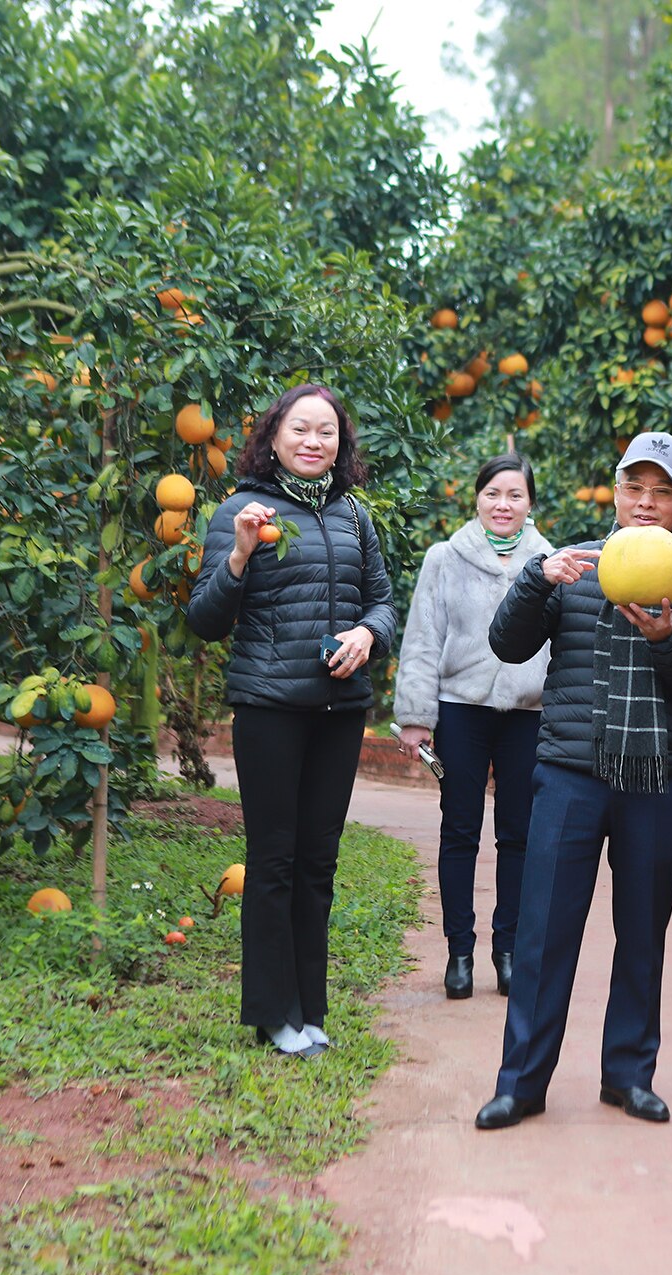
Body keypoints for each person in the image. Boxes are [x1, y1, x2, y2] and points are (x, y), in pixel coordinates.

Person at [474, 431, 672, 1129]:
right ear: (615, 493)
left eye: (662, 493)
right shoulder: (572, 567)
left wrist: (666, 637)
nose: (645, 504)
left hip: (655, 781)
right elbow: (506, 644)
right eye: (634, 488)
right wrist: (535, 580)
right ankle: (521, 1082)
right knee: (543, 935)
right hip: (568, 773)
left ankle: (629, 1074)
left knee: (642, 937)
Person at [187, 384, 396, 1060]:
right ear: (273, 437)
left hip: (339, 712)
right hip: (270, 709)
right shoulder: (239, 512)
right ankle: (273, 1012)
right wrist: (241, 555)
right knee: (273, 862)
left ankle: (310, 1008)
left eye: (327, 432)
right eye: (300, 429)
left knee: (318, 864)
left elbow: (385, 602)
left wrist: (368, 634)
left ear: (342, 445)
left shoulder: (353, 515)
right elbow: (205, 619)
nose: (314, 441)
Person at [394, 453, 554, 1002]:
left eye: (515, 495)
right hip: (460, 707)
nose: (503, 504)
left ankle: (505, 950)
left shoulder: (552, 560)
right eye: (493, 494)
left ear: (530, 503)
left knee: (519, 835)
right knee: (459, 830)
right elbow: (421, 639)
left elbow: (565, 647)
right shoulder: (445, 558)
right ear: (477, 498)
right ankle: (458, 951)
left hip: (529, 714)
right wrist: (415, 718)